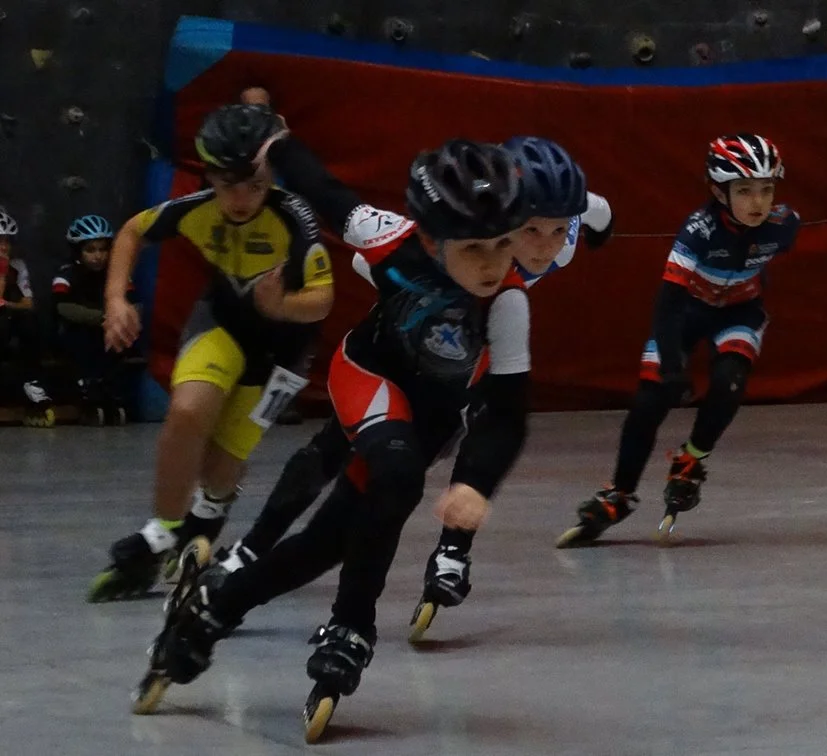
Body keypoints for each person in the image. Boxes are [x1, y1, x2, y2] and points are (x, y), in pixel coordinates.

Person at [135, 139, 533, 743]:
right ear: (432, 240)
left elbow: (507, 410)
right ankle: (352, 625)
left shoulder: (509, 302)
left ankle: (212, 610)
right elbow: (325, 191)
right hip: (369, 373)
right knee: (397, 478)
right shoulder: (390, 238)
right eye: (474, 248)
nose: (493, 264)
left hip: (433, 413)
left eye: (504, 244)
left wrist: (477, 482)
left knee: (325, 544)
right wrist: (277, 144)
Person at [208, 133, 614, 641]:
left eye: (558, 231)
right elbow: (340, 210)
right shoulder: (435, 236)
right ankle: (253, 550)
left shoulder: (547, 250)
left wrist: (595, 232)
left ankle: (450, 551)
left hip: (466, 356)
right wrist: (279, 145)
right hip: (400, 351)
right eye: (530, 230)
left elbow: (599, 216)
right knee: (335, 451)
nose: (544, 246)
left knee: (460, 431)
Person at [87, 103, 335, 602]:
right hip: (224, 321)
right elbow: (132, 231)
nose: (242, 198)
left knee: (223, 462)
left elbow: (323, 299)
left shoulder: (296, 220)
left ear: (272, 176)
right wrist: (115, 299)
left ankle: (210, 511)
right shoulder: (196, 209)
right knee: (186, 412)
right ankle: (162, 531)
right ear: (210, 176)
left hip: (283, 347)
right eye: (228, 184)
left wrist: (283, 305)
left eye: (256, 185)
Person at [557, 133, 800, 547]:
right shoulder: (698, 229)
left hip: (740, 311)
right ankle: (620, 493)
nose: (758, 202)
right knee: (650, 402)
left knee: (730, 380)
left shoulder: (785, 225)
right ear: (718, 192)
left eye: (766, 189)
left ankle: (691, 461)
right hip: (686, 313)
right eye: (744, 190)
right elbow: (668, 301)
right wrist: (672, 365)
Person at [53, 215, 132, 425]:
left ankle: (111, 389)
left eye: (102, 249)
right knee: (82, 338)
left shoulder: (116, 275)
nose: (98, 256)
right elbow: (63, 307)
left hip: (108, 331)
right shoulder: (67, 275)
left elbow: (133, 302)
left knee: (118, 340)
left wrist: (120, 319)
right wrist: (102, 317)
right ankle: (88, 388)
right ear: (77, 251)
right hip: (77, 332)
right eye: (90, 250)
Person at [0, 210, 55, 426]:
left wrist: (7, 304)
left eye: (7, 241)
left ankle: (32, 384)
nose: (4, 247)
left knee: (29, 322)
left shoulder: (17, 266)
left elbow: (28, 303)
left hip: (8, 319)